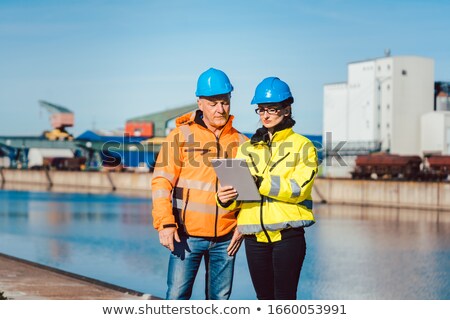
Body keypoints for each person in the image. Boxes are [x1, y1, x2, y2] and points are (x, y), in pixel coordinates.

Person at [217, 77, 318, 300]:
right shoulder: (247, 148)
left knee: (284, 299)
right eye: (261, 110)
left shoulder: (304, 146)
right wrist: (225, 198)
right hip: (254, 238)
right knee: (263, 299)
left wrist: (260, 183)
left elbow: (298, 189)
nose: (265, 115)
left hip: (287, 236)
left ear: (287, 109)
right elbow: (241, 194)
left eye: (272, 109)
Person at [151, 68, 247, 300]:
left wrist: (242, 226)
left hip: (226, 238)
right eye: (213, 103)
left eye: (224, 102)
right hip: (186, 236)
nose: (220, 109)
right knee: (177, 297)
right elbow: (162, 182)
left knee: (219, 301)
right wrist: (165, 224)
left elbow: (246, 193)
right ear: (200, 103)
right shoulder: (181, 136)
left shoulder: (241, 141)